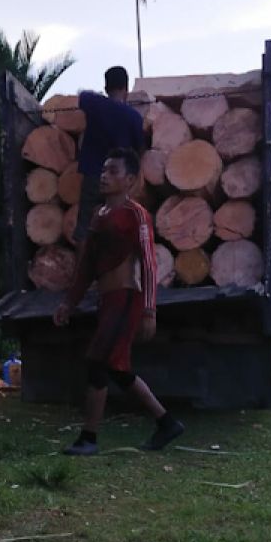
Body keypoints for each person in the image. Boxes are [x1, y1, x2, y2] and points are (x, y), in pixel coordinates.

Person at [53, 148, 184, 455]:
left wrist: (150, 309)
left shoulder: (137, 214)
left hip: (128, 298)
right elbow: (86, 267)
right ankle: (167, 423)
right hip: (107, 300)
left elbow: (150, 263)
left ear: (129, 180)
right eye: (103, 170)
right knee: (117, 368)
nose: (104, 176)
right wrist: (68, 304)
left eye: (112, 171)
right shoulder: (99, 216)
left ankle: (89, 438)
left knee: (98, 361)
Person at [72, 66, 145, 244]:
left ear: (106, 88)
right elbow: (140, 149)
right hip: (119, 178)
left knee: (85, 227)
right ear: (126, 89)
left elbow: (82, 95)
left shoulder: (94, 103)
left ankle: (82, 268)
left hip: (92, 174)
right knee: (117, 225)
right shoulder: (134, 117)